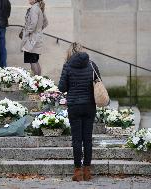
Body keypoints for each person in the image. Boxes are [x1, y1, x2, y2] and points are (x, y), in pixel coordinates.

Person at [58, 42, 100, 182]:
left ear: (70, 52)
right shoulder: (92, 65)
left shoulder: (67, 66)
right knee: (87, 139)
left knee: (77, 139)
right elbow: (98, 83)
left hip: (74, 106)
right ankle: (87, 172)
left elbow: (62, 88)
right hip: (89, 106)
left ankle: (77, 172)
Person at [21, 0, 48, 75]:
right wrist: (38, 31)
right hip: (36, 38)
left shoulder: (34, 8)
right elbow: (45, 23)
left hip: (31, 39)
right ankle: (39, 81)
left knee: (32, 61)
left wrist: (27, 32)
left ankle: (36, 82)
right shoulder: (39, 7)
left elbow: (33, 24)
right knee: (35, 60)